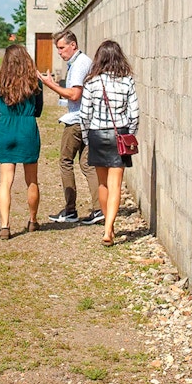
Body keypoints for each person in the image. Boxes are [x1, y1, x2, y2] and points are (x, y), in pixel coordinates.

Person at [37, 30, 103, 225]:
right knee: (87, 164)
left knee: (66, 161)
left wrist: (50, 84)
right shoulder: (80, 62)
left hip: (77, 120)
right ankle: (99, 208)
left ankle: (70, 210)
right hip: (87, 119)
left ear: (73, 45)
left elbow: (74, 95)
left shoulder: (80, 64)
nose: (59, 52)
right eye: (58, 48)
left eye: (62, 47)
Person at [80, 40, 139, 247]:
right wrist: (129, 135)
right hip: (119, 134)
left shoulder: (92, 82)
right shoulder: (127, 81)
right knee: (116, 186)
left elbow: (85, 114)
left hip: (96, 133)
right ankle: (108, 229)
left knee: (102, 184)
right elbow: (134, 114)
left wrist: (87, 138)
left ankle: (108, 225)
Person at [0, 44, 43, 239]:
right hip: (27, 130)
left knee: (6, 181)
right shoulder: (34, 84)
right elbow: (38, 110)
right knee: (31, 180)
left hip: (7, 129)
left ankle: (5, 225)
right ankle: (32, 220)